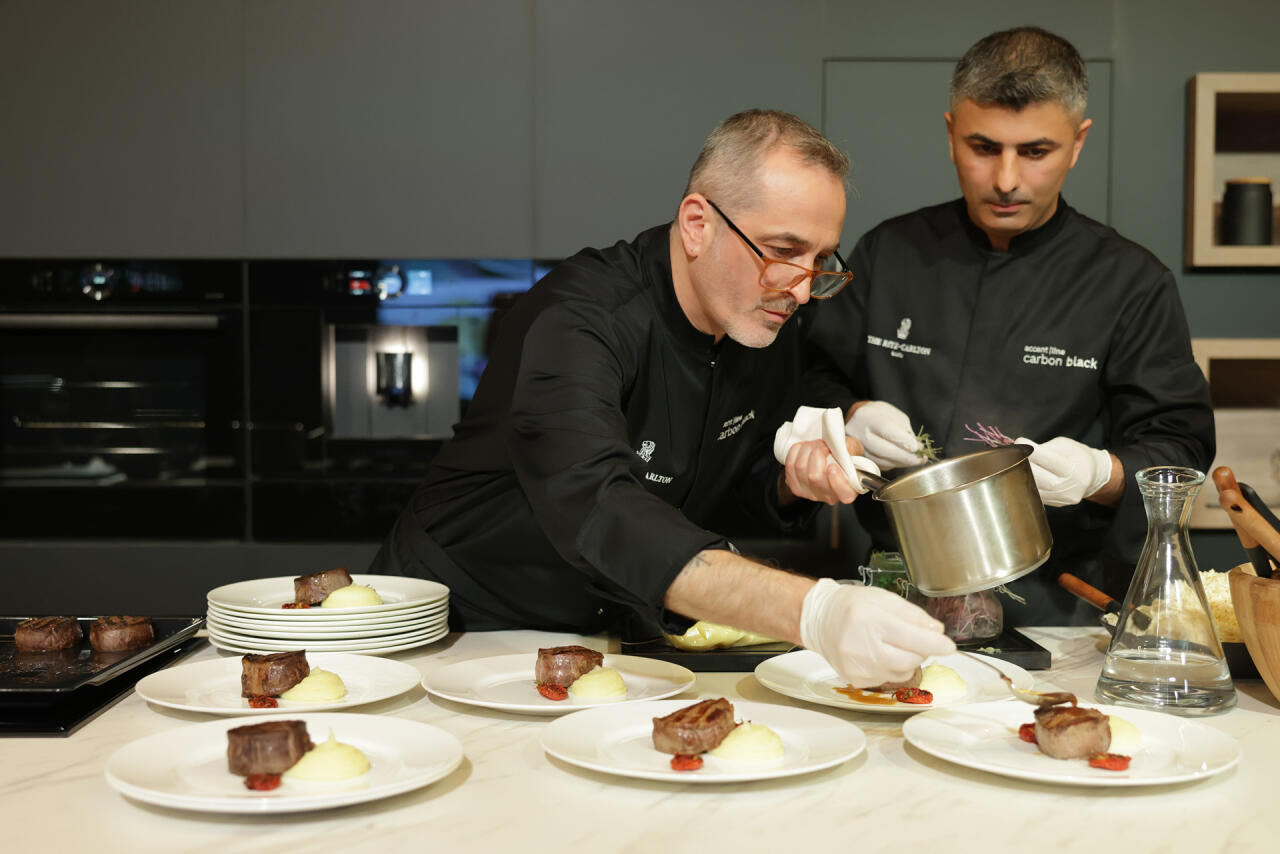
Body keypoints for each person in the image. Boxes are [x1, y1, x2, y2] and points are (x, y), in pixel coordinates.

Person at [370, 110, 955, 687]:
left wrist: (788, 481)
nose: (802, 291)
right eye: (783, 250)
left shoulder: (761, 320)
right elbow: (601, 509)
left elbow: (718, 487)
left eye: (820, 261)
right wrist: (813, 612)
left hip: (604, 631)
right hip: (461, 628)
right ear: (698, 224)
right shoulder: (580, 318)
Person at [802, 27, 1215, 624]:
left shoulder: (1131, 281)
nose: (1005, 179)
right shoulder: (889, 252)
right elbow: (806, 375)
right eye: (983, 147)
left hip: (1060, 601)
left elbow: (1179, 447)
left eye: (1035, 152)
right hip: (897, 588)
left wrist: (1100, 473)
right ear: (951, 134)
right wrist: (851, 413)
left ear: (1078, 142)